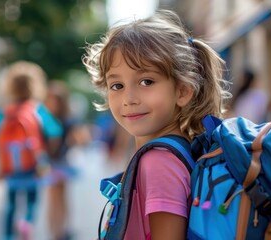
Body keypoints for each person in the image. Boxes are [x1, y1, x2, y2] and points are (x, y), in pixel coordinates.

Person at [82, 9, 230, 239]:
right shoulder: (177, 150)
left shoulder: (159, 162)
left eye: (146, 81)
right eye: (117, 85)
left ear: (183, 91)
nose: (129, 98)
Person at [0, 61, 63, 240]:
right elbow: (55, 131)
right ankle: (27, 222)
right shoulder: (37, 109)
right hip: (33, 163)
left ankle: (7, 235)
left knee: (10, 203)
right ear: (35, 86)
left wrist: (0, 164)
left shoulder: (5, 112)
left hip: (11, 166)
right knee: (32, 199)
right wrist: (47, 154)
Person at [43, 80, 80, 240]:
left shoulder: (56, 119)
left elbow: (76, 138)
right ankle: (56, 232)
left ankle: (61, 230)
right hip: (53, 163)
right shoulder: (47, 119)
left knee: (61, 197)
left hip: (61, 162)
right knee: (54, 198)